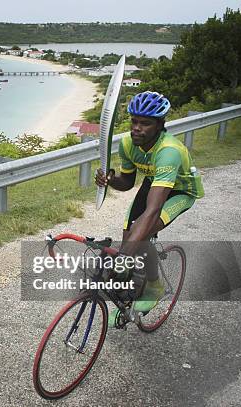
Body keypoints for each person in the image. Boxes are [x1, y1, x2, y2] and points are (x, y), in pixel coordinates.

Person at [95, 91, 204, 325]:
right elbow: (127, 183)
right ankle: (127, 296)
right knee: (128, 237)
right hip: (153, 182)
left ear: (159, 126)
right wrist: (111, 179)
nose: (136, 128)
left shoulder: (169, 151)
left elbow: (153, 210)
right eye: (134, 121)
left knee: (140, 234)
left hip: (179, 190)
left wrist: (124, 258)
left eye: (145, 123)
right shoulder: (127, 143)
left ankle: (154, 287)